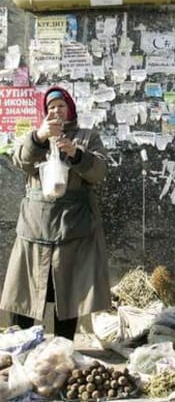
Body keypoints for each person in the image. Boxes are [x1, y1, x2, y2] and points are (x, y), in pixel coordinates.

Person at [0, 86, 111, 340]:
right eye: (51, 107)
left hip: (72, 228)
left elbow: (99, 173)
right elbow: (22, 162)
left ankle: (63, 350)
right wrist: (39, 137)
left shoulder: (86, 137)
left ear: (70, 109)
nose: (56, 111)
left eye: (61, 106)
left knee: (67, 294)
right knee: (25, 293)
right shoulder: (35, 136)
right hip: (35, 227)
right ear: (44, 112)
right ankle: (21, 345)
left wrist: (76, 154)